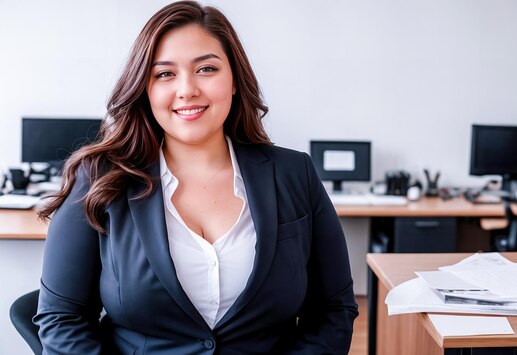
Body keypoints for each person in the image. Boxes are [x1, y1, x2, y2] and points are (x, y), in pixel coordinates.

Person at [34, 2, 358, 354]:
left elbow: (332, 310)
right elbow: (61, 319)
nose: (187, 89)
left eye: (206, 68)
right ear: (145, 89)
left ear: (235, 80)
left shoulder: (295, 174)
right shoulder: (101, 179)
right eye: (165, 74)